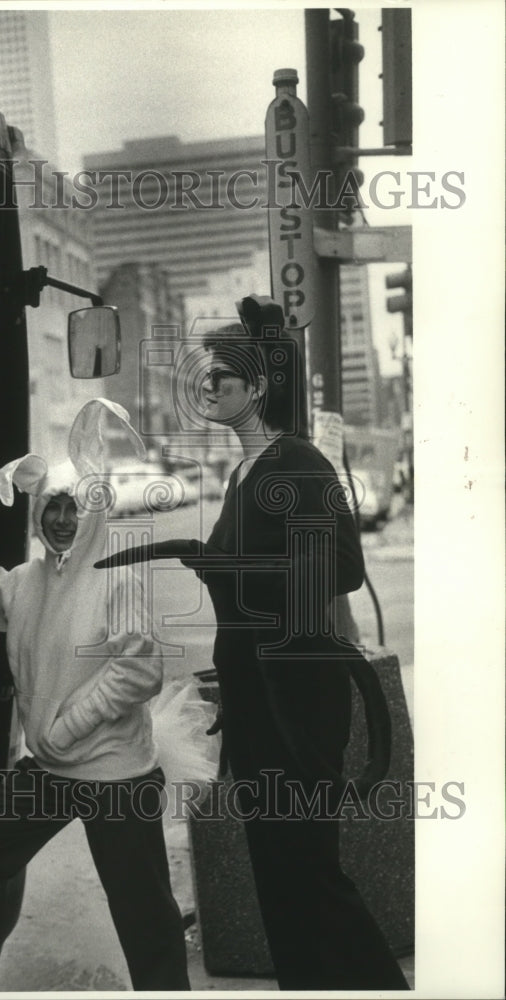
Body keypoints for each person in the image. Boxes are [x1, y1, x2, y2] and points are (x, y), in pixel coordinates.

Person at [96, 298, 409, 990]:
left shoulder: (298, 461)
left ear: (259, 388)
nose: (208, 388)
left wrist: (244, 575)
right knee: (278, 880)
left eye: (222, 380)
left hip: (299, 709)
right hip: (259, 705)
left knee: (309, 875)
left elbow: (343, 568)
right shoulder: (242, 476)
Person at [0, 398, 190, 992]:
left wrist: (63, 729)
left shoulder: (119, 578)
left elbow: (138, 673)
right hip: (51, 772)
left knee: (146, 922)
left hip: (116, 779)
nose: (60, 519)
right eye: (51, 506)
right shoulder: (27, 582)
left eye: (73, 508)